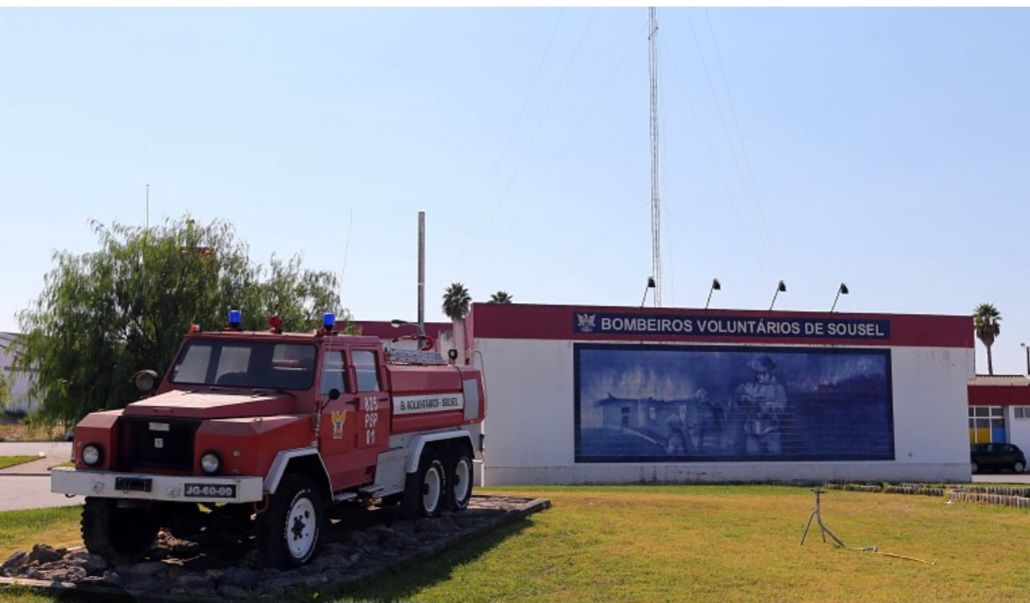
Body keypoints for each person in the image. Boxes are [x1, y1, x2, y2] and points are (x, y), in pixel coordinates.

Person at [737, 355, 788, 456]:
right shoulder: (751, 386)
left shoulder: (778, 389)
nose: (757, 377)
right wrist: (744, 399)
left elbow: (780, 412)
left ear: (768, 372)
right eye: (756, 373)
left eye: (760, 374)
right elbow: (738, 400)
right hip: (752, 434)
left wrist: (766, 408)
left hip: (771, 434)